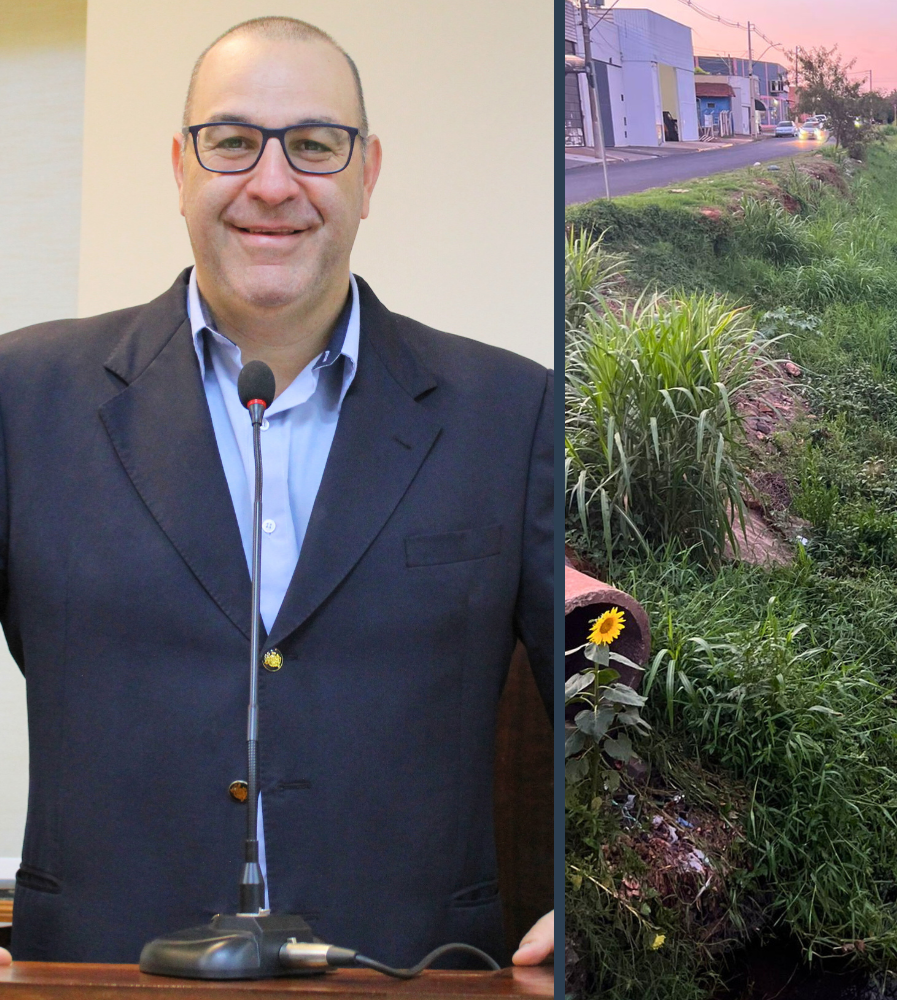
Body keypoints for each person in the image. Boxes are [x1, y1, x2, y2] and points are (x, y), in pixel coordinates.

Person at [0, 18, 552, 969]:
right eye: (231, 141)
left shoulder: (514, 410)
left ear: (367, 173)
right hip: (95, 974)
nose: (271, 182)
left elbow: (612, 689)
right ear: (180, 166)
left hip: (418, 977)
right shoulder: (24, 395)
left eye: (314, 144)